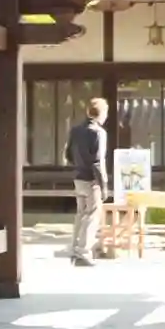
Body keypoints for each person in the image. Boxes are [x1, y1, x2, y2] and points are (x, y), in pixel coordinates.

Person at [66, 97, 109, 267]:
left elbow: (68, 155)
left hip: (78, 177)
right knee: (93, 214)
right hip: (92, 179)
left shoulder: (75, 130)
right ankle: (83, 252)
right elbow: (98, 162)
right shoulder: (98, 133)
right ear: (102, 113)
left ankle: (74, 250)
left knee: (81, 214)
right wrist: (103, 185)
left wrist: (79, 164)